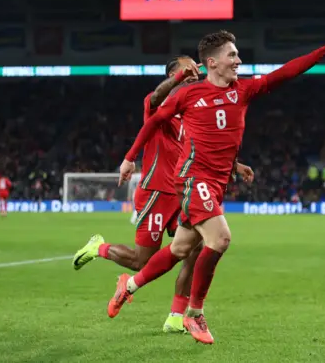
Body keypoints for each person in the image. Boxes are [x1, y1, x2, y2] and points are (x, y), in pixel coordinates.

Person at [114, 29, 325, 344]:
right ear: (212, 63)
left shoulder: (244, 90)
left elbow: (286, 72)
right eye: (232, 55)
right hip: (190, 177)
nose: (239, 60)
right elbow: (154, 121)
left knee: (181, 248)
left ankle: (128, 286)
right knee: (221, 238)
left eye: (238, 54)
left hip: (215, 183)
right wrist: (130, 158)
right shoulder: (188, 95)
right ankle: (194, 314)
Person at [73, 55, 253, 333]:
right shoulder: (156, 106)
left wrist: (234, 165)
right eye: (186, 69)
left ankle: (175, 316)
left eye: (195, 68)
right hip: (157, 192)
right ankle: (99, 247)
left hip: (184, 191)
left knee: (194, 250)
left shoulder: (193, 111)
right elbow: (157, 95)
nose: (194, 72)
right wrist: (179, 78)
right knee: (141, 260)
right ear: (172, 75)